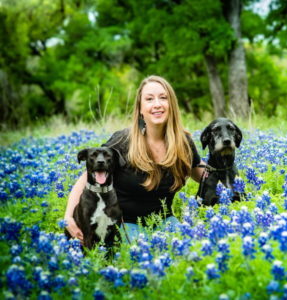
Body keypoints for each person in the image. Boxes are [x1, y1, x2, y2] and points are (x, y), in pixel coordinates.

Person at [64, 75, 206, 242]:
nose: (157, 104)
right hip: (125, 221)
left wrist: (228, 175)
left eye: (163, 98)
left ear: (171, 105)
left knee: (187, 246)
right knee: (137, 252)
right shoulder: (123, 141)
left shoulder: (183, 142)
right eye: (149, 99)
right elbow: (86, 178)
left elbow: (201, 172)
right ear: (140, 108)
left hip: (164, 220)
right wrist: (68, 217)